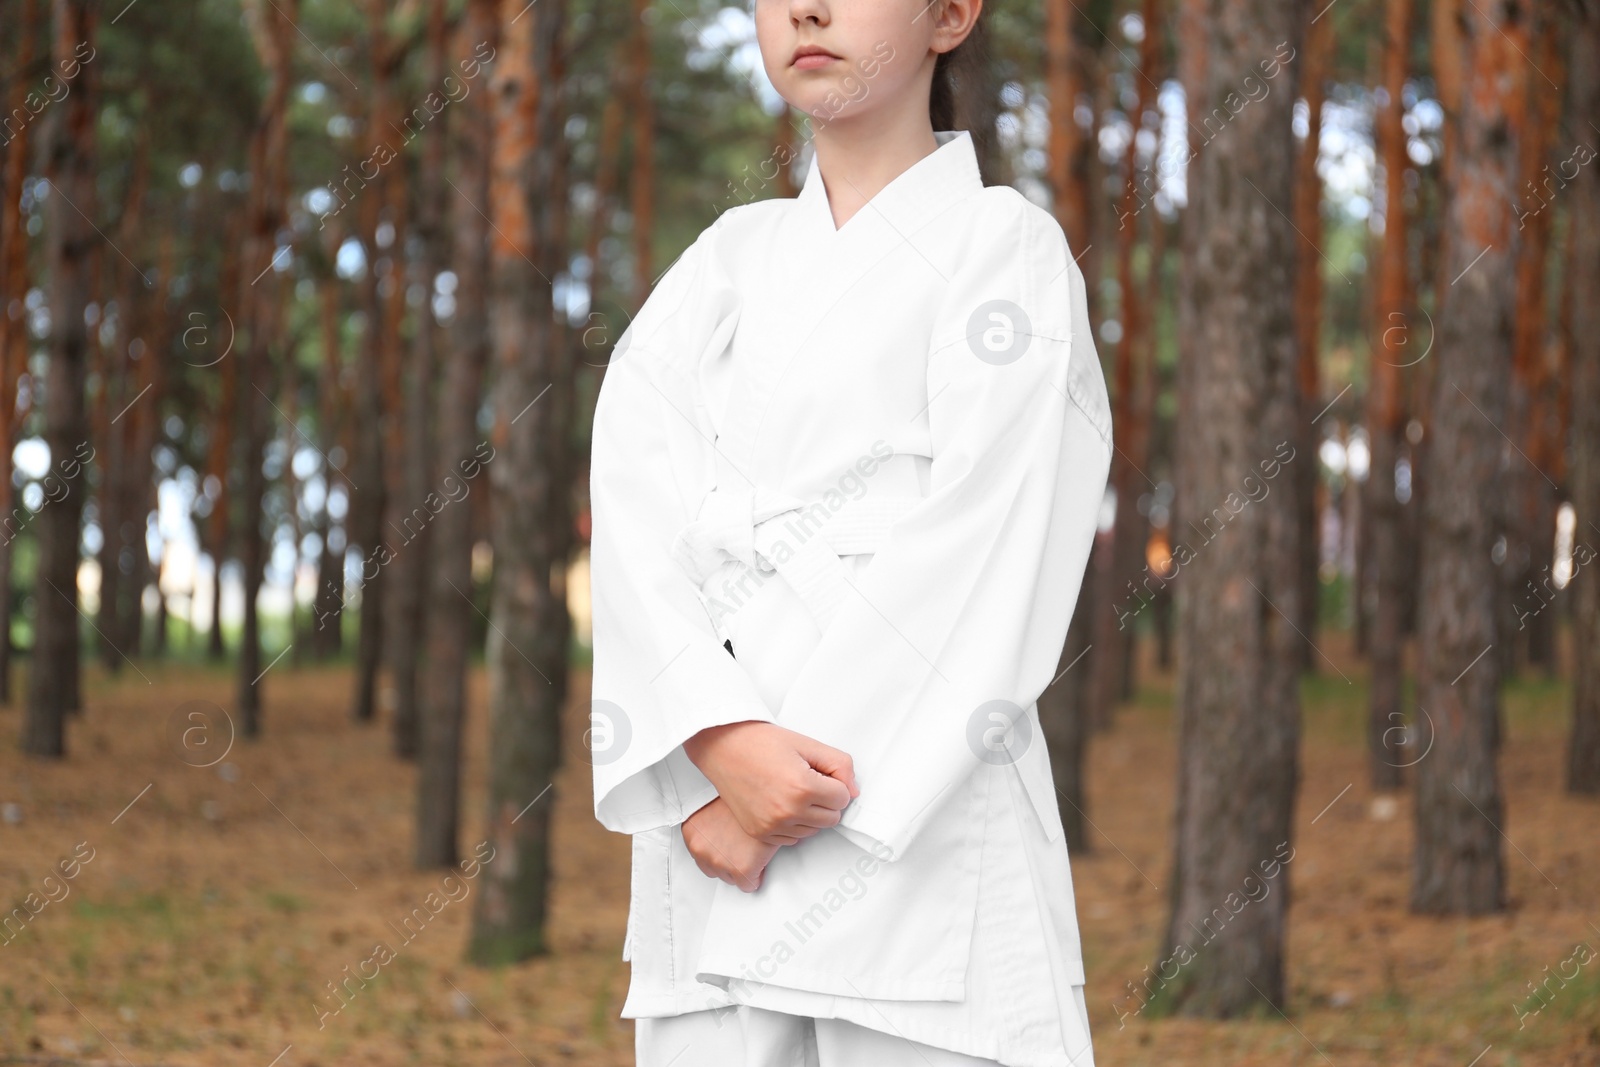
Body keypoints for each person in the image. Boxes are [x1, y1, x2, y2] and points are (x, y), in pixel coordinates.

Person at [587, 0, 1111, 1063]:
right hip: (712, 838)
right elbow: (635, 517)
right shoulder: (724, 263)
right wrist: (710, 748)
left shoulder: (1002, 249)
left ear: (951, 14)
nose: (806, 9)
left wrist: (768, 794)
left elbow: (991, 547)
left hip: (916, 833)